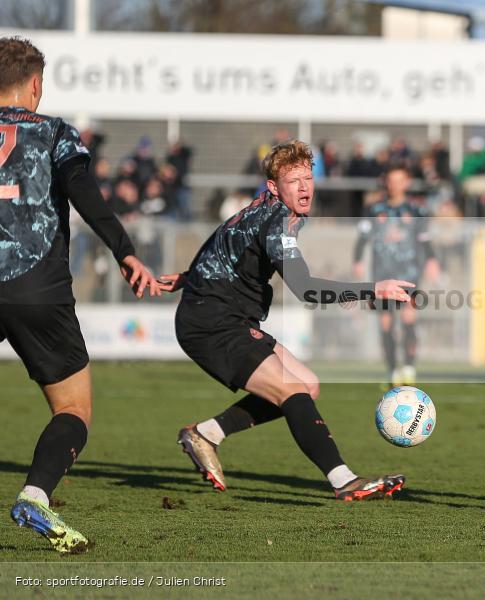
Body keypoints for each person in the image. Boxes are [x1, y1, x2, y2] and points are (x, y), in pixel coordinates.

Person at [158, 140, 411, 500]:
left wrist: (189, 276)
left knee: (306, 384)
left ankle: (207, 433)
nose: (304, 186)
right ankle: (343, 480)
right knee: (291, 391)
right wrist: (374, 289)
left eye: (308, 177)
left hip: (222, 313)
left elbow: (224, 239)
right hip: (212, 321)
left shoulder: (264, 209)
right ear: (274, 187)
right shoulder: (278, 220)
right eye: (294, 181)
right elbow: (306, 289)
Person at [0, 36, 159, 553]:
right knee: (73, 408)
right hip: (36, 287)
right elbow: (83, 191)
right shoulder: (53, 133)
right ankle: (35, 494)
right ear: (35, 85)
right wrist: (125, 250)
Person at [353, 164, 440, 387]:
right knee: (385, 324)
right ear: (386, 183)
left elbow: (425, 240)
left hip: (409, 273)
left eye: (400, 180)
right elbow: (362, 238)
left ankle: (409, 368)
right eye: (392, 180)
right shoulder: (374, 209)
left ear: (407, 182)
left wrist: (431, 260)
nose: (396, 185)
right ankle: (392, 371)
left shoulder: (416, 210)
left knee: (409, 318)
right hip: (382, 274)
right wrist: (358, 260)